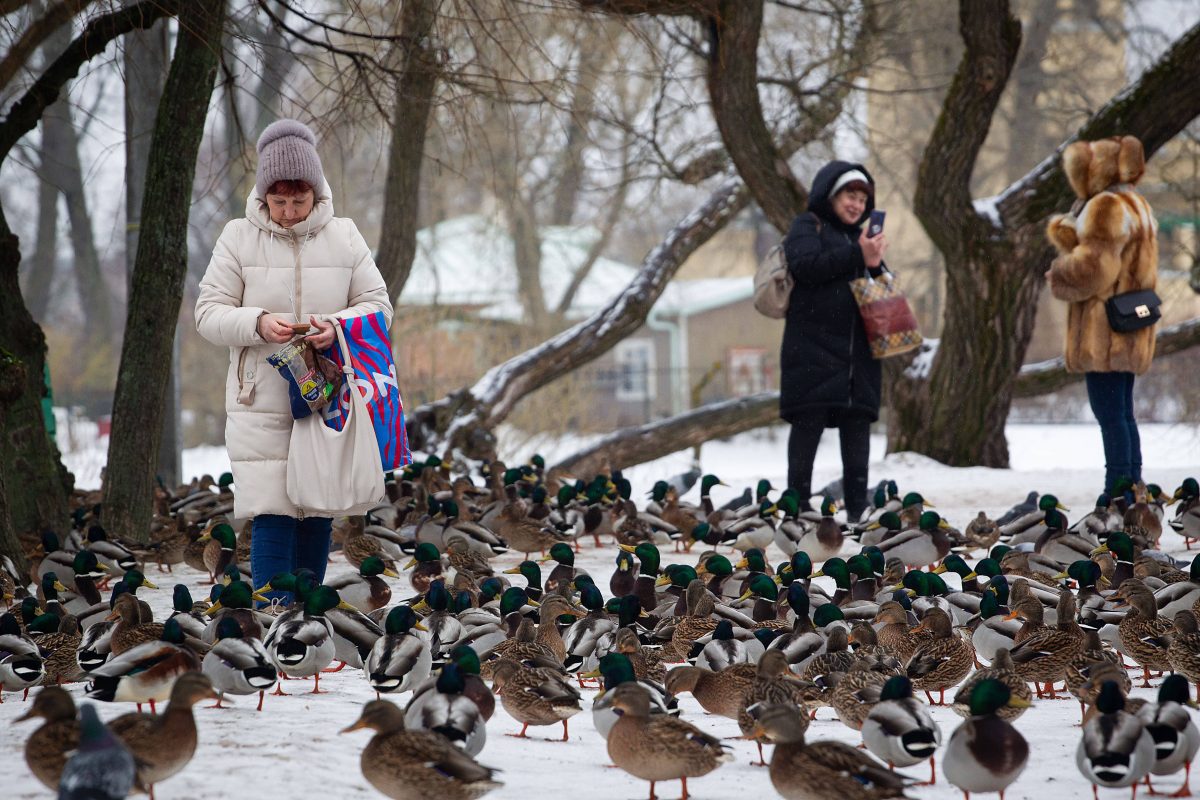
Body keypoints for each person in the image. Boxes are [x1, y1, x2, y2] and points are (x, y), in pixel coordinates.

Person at [195, 119, 392, 599]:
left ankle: (305, 623)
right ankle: (271, 620)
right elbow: (207, 313)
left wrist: (336, 327)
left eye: (297, 201)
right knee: (273, 511)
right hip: (260, 397)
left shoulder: (344, 237)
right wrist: (257, 322)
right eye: (277, 201)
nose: (287, 211)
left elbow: (379, 306)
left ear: (315, 192)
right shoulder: (237, 238)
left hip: (327, 395)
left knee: (318, 508)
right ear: (263, 196)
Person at [1046, 135, 1158, 495]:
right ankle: (1134, 489)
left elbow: (1096, 268)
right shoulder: (1135, 203)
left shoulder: (1106, 204)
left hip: (1103, 330)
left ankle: (1118, 492)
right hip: (1130, 322)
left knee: (1109, 416)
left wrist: (1059, 273)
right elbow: (1114, 254)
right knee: (1123, 414)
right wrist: (1070, 232)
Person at [779, 161, 887, 521]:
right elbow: (805, 265)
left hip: (859, 358)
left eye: (861, 198)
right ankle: (797, 510)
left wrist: (875, 262)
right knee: (807, 429)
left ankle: (858, 510)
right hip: (812, 352)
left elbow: (881, 291)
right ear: (831, 194)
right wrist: (859, 254)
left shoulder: (860, 239)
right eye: (849, 195)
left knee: (857, 432)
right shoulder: (808, 226)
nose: (856, 204)